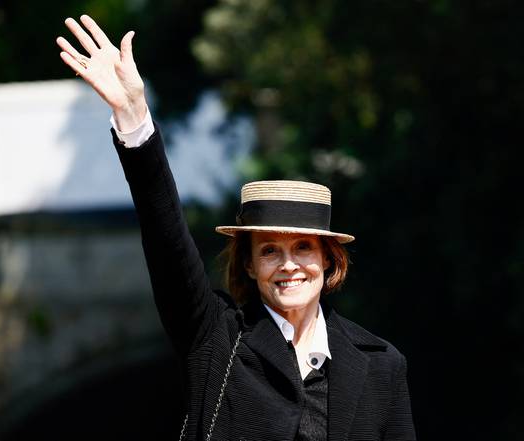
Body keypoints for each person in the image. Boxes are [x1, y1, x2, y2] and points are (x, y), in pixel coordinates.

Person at [57, 15, 416, 441]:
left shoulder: (380, 363)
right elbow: (167, 242)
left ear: (327, 259)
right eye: (269, 251)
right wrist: (135, 120)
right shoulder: (215, 339)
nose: (288, 265)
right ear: (248, 264)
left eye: (303, 247)